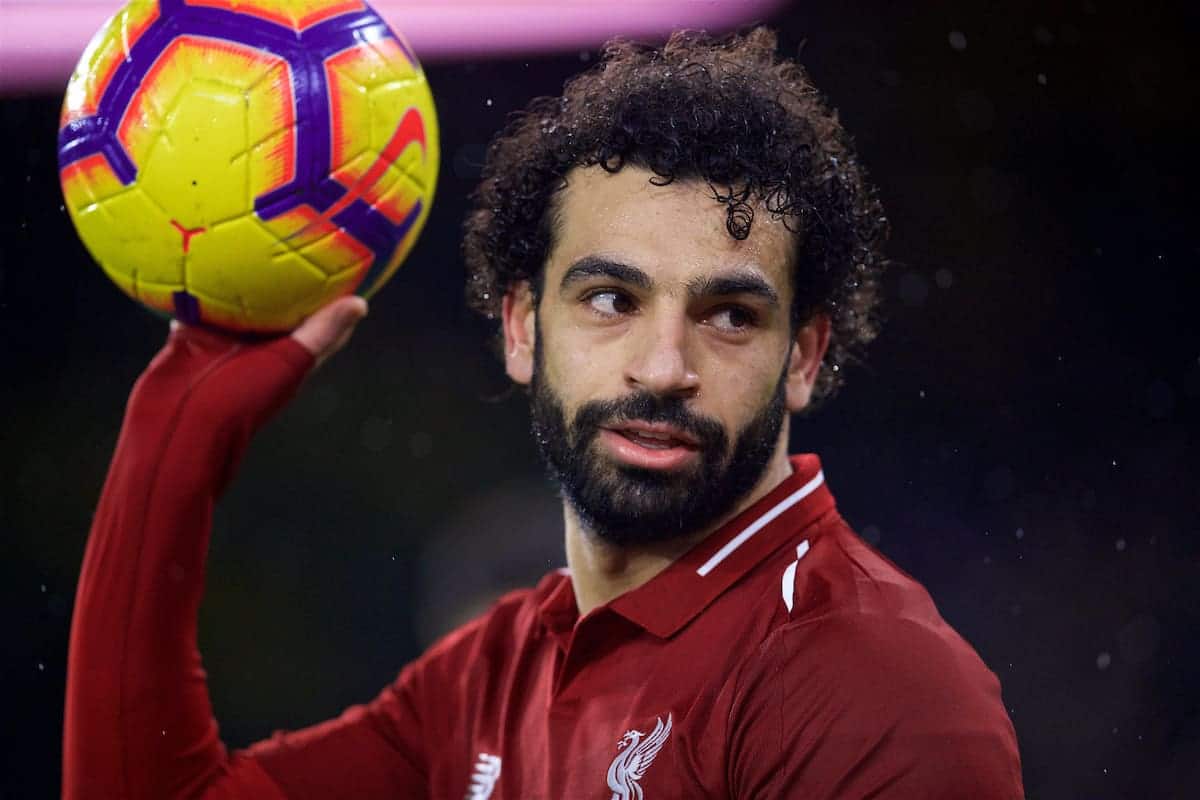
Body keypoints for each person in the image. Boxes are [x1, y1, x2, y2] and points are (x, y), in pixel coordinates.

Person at [63, 28, 1024, 799]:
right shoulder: (491, 677)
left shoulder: (871, 688)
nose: (663, 368)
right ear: (522, 328)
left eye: (729, 315)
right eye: (611, 298)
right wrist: (175, 430)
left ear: (804, 356)